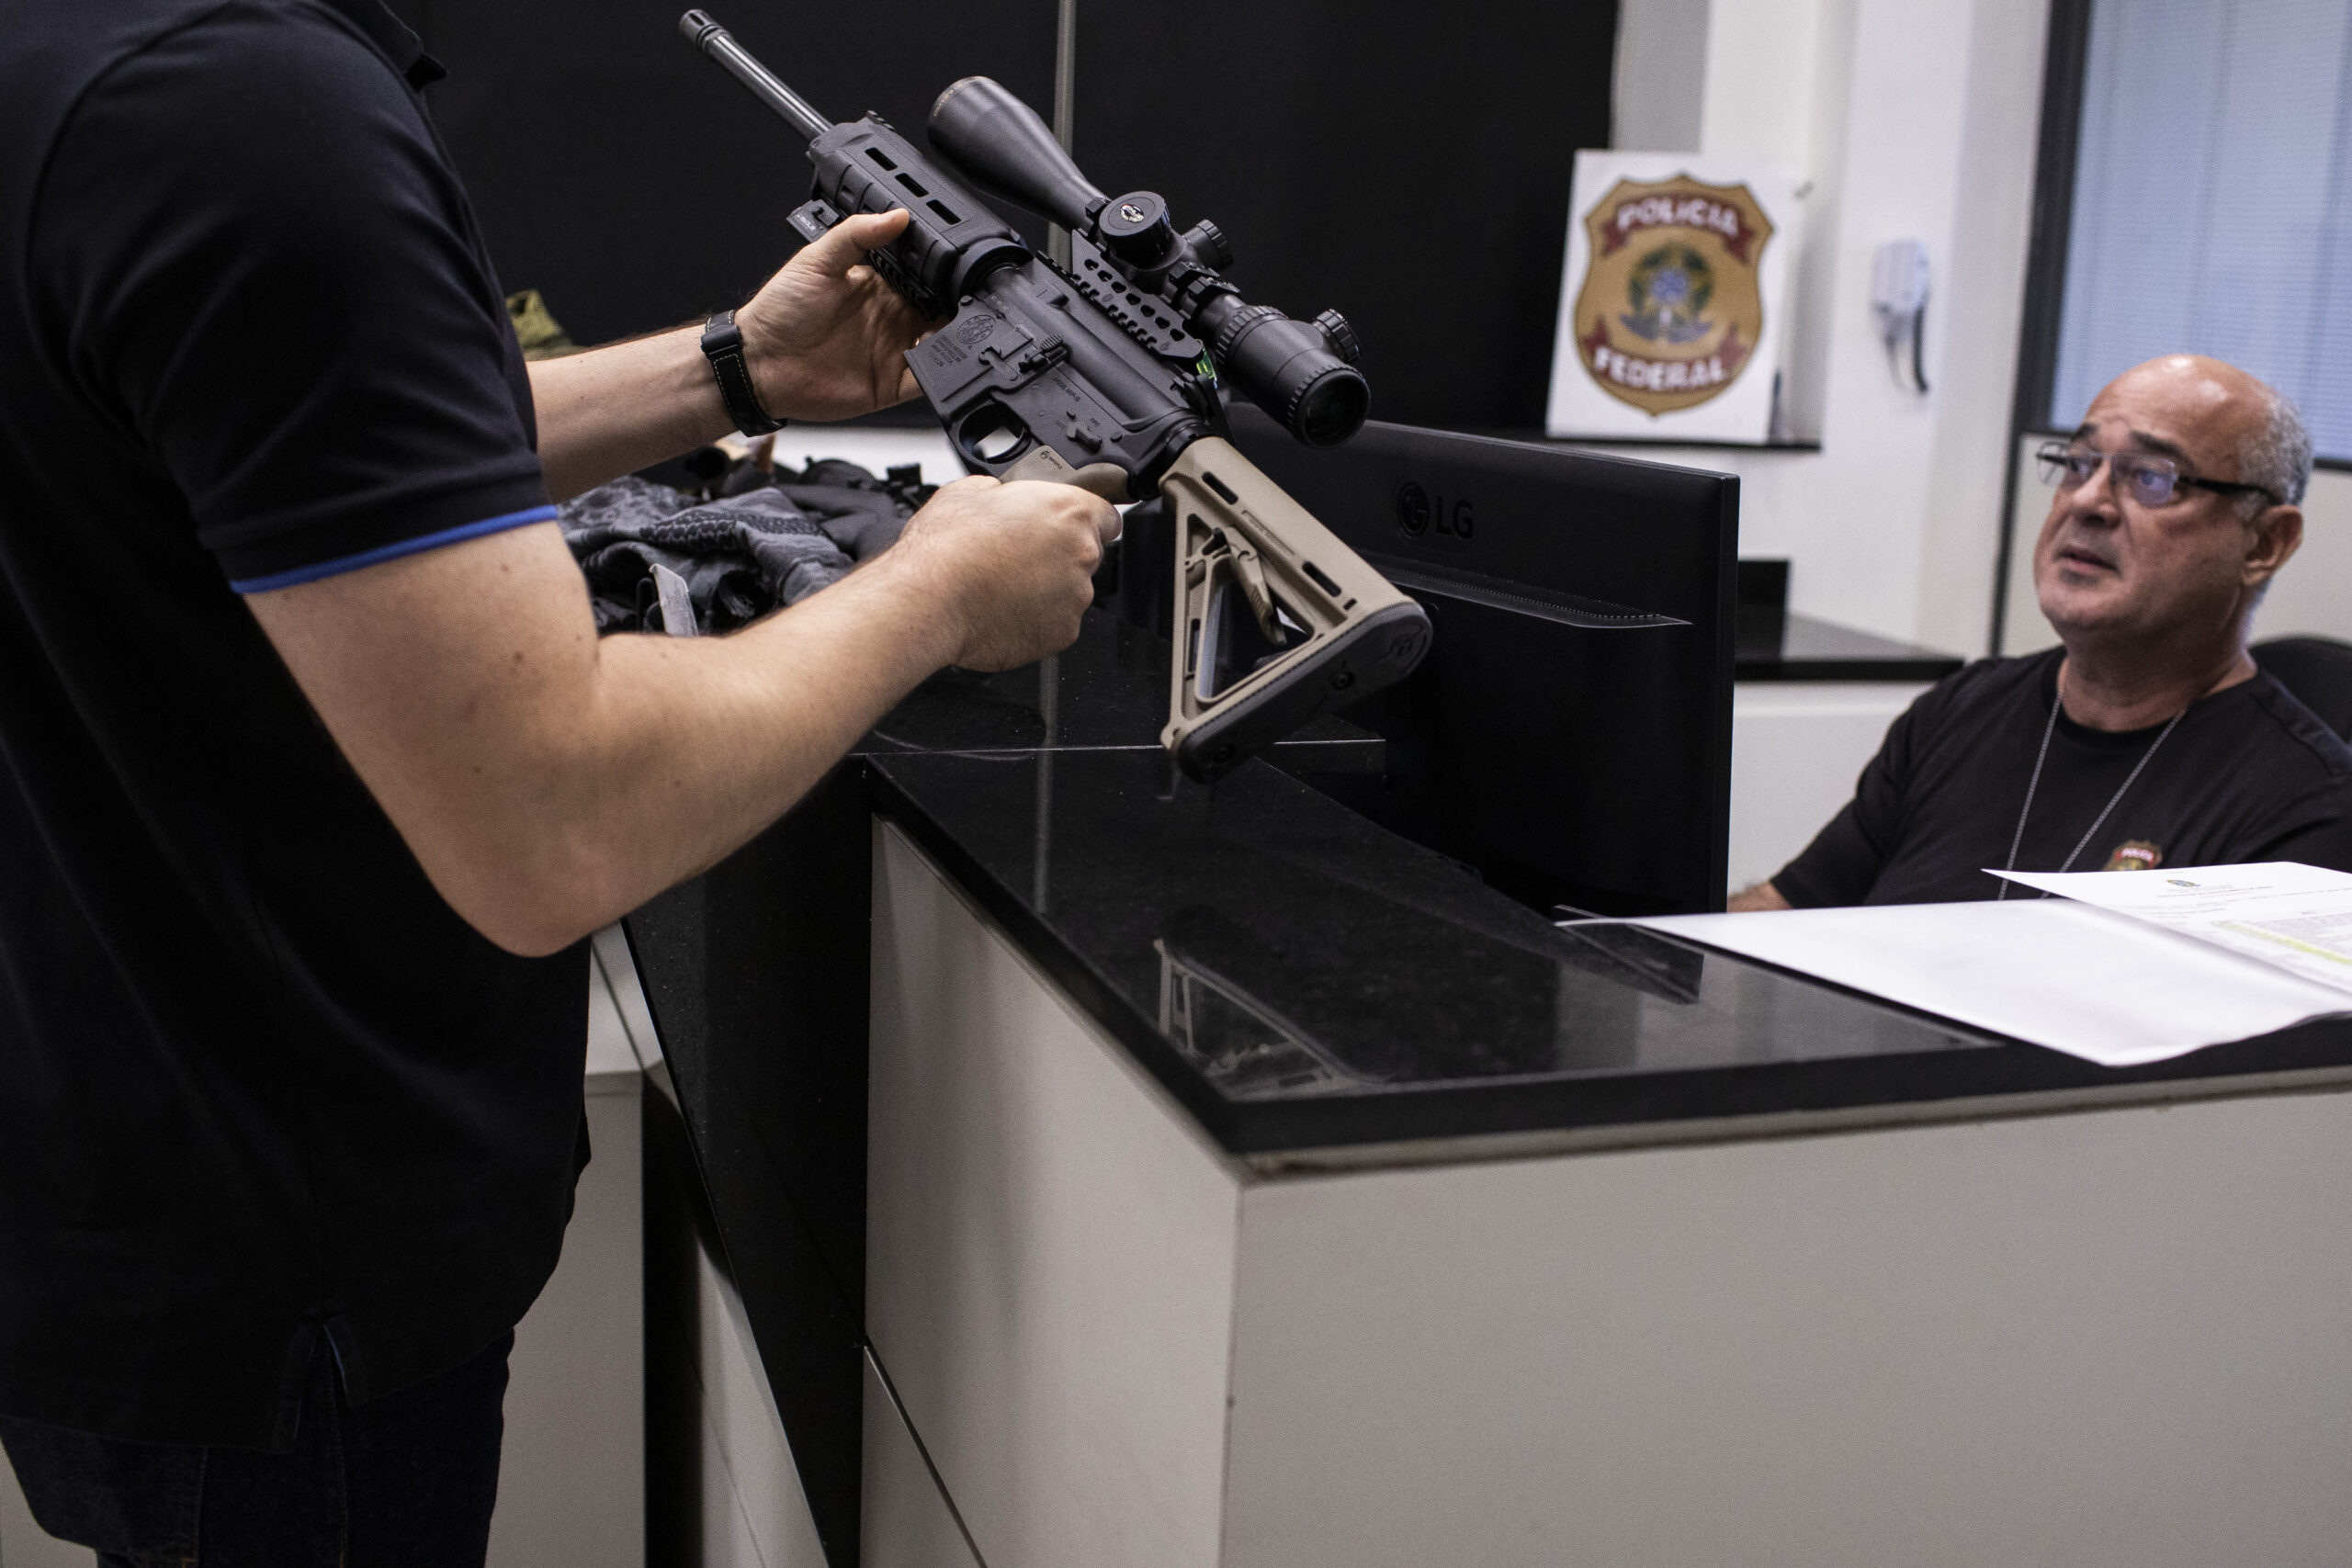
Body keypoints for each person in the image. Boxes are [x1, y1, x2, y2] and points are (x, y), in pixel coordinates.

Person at [0, 0, 1114, 1562]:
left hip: (127, 1173)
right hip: (288, 1265)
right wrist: (939, 588)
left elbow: (311, 462)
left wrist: (737, 368)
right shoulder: (241, 110)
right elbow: (556, 814)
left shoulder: (93, 56)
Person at [1732, 354, 2352, 911]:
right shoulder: (1959, 711)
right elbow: (1787, 907)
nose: (2088, 500)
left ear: (2265, 543)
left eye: (2152, 476)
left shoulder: (2307, 811)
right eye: (2078, 464)